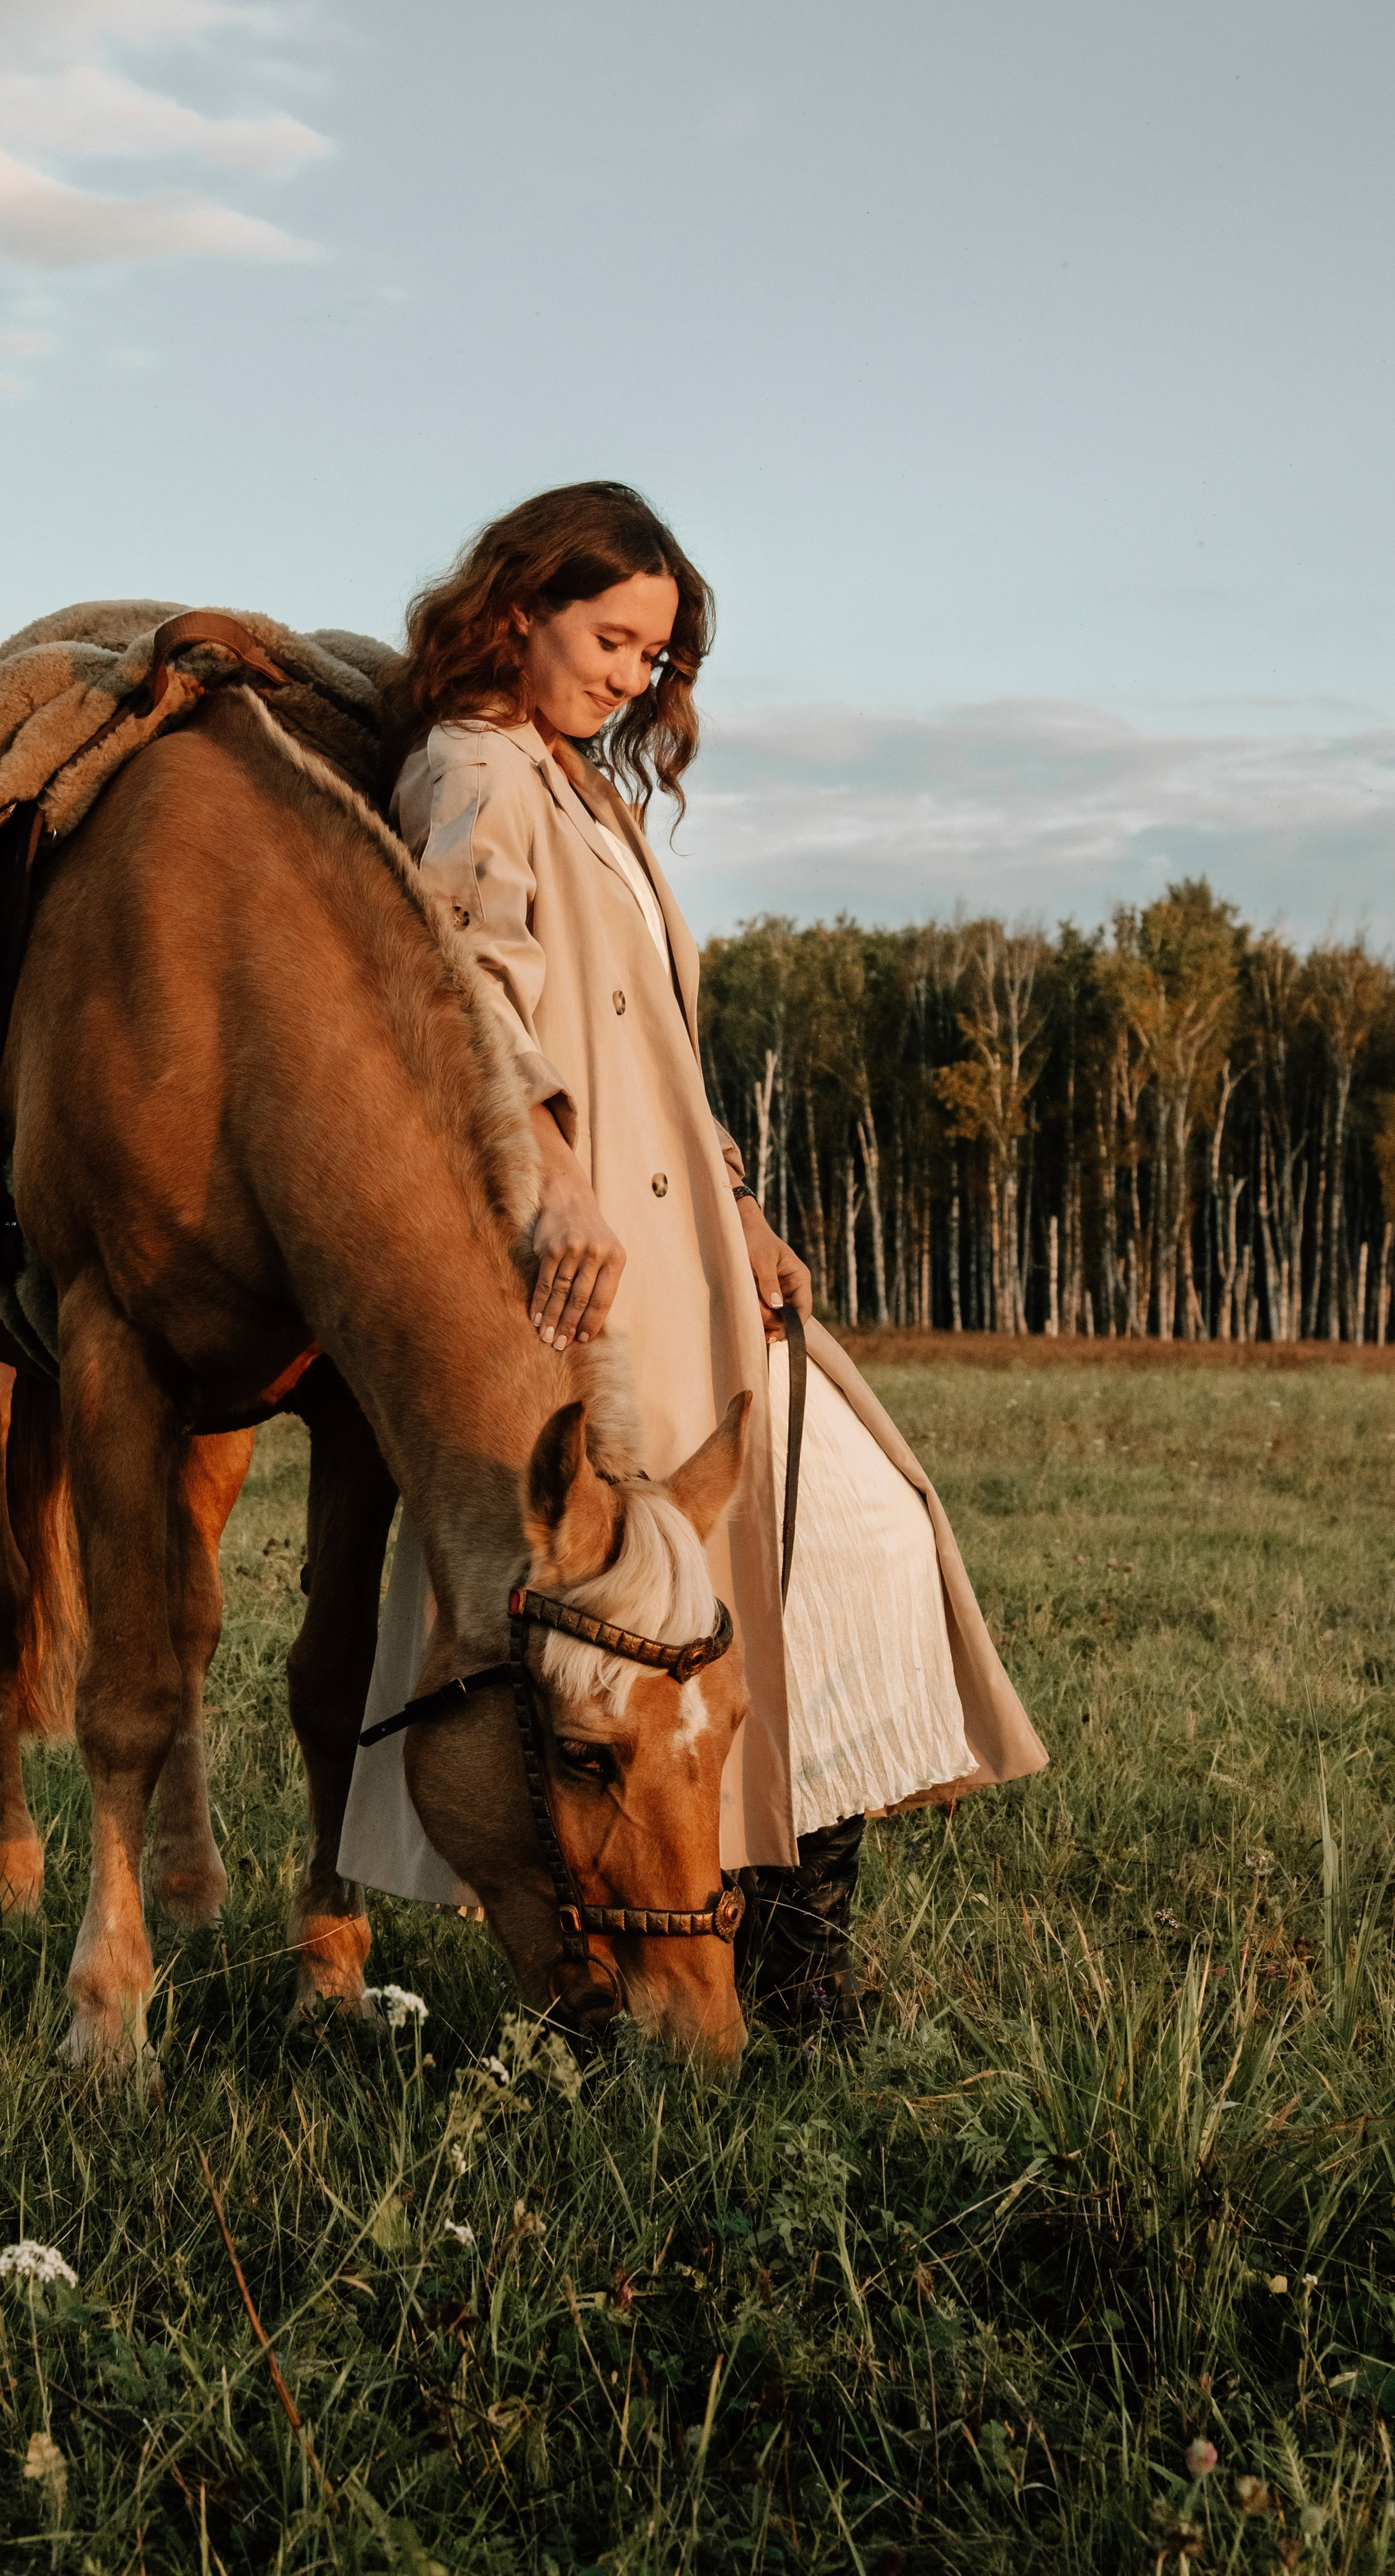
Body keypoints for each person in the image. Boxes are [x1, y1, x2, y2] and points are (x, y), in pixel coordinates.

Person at [338, 482, 1046, 2029]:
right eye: (610, 639)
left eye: (655, 657)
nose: (631, 677)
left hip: (687, 1252)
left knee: (837, 1542)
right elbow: (462, 985)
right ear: (515, 608)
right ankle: (681, 1961)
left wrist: (733, 1200)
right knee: (687, 1606)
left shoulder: (578, 782)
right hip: (590, 1279)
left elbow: (647, 1040)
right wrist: (556, 1177)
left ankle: (784, 1950)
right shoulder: (467, 766)